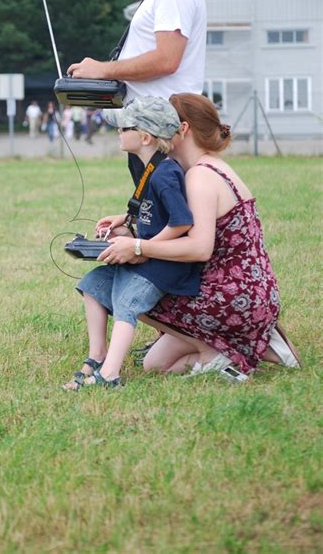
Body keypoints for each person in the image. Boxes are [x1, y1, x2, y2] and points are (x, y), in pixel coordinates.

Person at [97, 93, 300, 378]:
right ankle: (252, 346)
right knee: (154, 364)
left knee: (129, 288)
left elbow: (200, 248)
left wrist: (139, 248)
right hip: (252, 292)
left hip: (230, 297)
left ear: (182, 129)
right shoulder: (207, 168)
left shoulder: (200, 177)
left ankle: (232, 349)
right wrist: (128, 221)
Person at [62, 97, 201, 391]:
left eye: (123, 128)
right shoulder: (149, 168)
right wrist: (124, 220)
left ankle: (110, 376)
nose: (118, 132)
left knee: (126, 302)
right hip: (149, 258)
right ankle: (97, 356)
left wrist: (140, 245)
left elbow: (182, 222)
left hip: (166, 266)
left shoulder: (165, 173)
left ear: (145, 137)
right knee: (93, 284)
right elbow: (152, 213)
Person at [67, 0, 207, 182]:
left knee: (169, 220)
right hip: (153, 131)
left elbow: (167, 59)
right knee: (153, 218)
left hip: (160, 134)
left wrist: (103, 70)